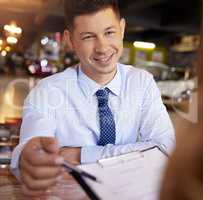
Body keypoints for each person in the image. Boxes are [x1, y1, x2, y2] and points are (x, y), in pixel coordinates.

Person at [11, 0, 175, 197]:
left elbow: (165, 149)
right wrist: (25, 160)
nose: (102, 47)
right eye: (88, 36)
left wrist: (80, 154)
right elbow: (31, 151)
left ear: (122, 29)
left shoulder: (141, 82)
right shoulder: (46, 92)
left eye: (109, 32)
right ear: (70, 40)